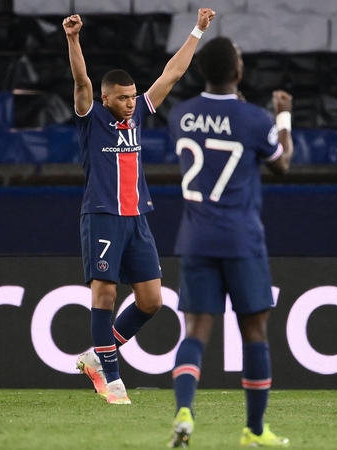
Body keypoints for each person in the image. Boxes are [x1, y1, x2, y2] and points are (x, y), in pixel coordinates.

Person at [63, 8, 216, 405]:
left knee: (151, 301)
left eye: (133, 96)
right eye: (123, 98)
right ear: (106, 98)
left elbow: (172, 74)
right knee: (105, 295)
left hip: (137, 218)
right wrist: (73, 39)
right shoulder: (91, 118)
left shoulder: (138, 117)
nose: (131, 103)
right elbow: (81, 80)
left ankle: (97, 356)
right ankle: (112, 381)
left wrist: (197, 30)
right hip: (103, 216)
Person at [165, 36, 293, 448]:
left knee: (195, 332)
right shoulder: (255, 119)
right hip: (241, 240)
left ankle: (185, 410)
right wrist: (283, 118)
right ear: (238, 71)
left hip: (195, 239)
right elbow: (282, 166)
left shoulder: (180, 115)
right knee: (254, 332)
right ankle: (254, 430)